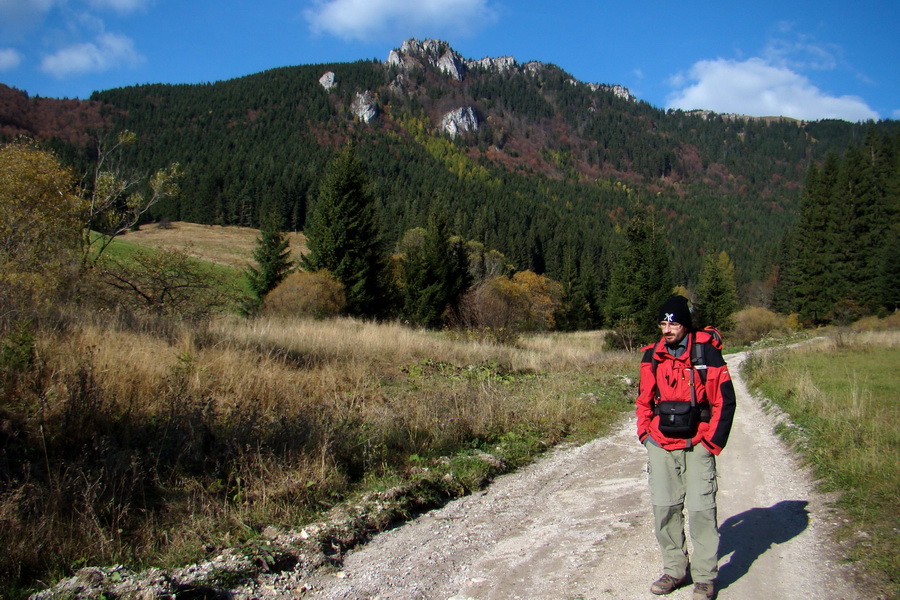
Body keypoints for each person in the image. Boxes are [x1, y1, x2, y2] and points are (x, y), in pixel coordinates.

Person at [636, 295, 736, 600]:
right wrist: (645, 435)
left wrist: (711, 444)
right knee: (664, 509)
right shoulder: (652, 355)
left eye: (673, 323)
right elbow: (643, 399)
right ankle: (674, 570)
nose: (667, 329)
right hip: (661, 443)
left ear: (685, 324)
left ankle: (705, 577)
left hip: (697, 443)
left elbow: (725, 402)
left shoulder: (707, 354)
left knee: (701, 509)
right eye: (663, 323)